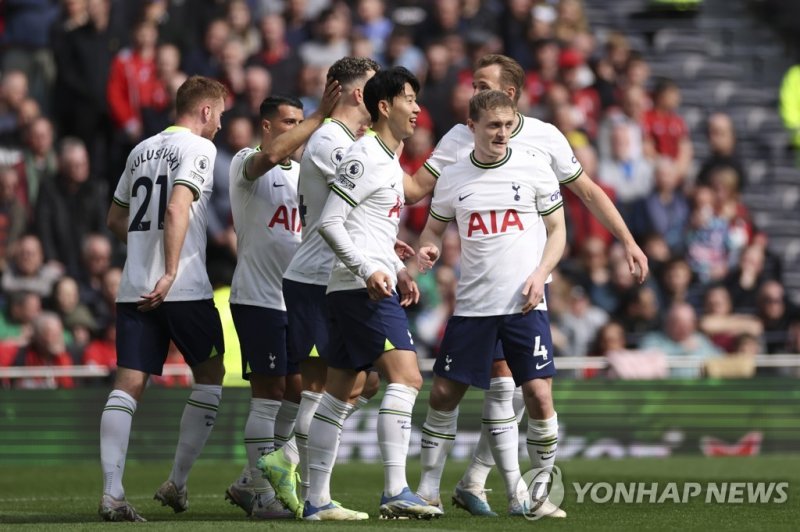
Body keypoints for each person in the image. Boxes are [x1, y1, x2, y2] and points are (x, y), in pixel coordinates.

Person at [405, 53, 648, 516]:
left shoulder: (542, 145)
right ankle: (459, 487)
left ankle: (521, 490)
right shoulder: (457, 143)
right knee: (473, 391)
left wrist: (627, 241)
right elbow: (420, 196)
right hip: (475, 298)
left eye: (482, 86)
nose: (471, 94)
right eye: (474, 89)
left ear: (510, 98)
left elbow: (587, 196)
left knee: (525, 392)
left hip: (525, 293)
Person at [415, 90, 567, 519]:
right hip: (473, 307)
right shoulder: (453, 177)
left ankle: (538, 493)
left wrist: (540, 274)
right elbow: (432, 231)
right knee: (444, 394)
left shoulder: (535, 168)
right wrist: (428, 249)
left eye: (508, 124)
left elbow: (558, 231)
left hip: (524, 304)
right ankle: (428, 491)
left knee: (538, 395)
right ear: (472, 128)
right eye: (493, 125)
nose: (502, 133)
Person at [304, 66, 439, 520]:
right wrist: (367, 270)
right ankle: (396, 489)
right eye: (408, 99)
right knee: (407, 379)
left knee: (339, 392)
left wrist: (398, 268)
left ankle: (317, 499)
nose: (417, 108)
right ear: (384, 106)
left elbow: (369, 228)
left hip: (353, 287)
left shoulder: (387, 158)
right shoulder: (364, 156)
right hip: (359, 291)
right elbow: (329, 222)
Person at [98, 75, 228, 522]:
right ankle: (177, 481)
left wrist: (144, 250)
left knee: (127, 386)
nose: (221, 127)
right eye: (220, 116)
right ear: (205, 111)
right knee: (210, 375)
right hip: (183, 286)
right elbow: (176, 206)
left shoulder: (141, 150)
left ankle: (112, 493)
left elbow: (116, 217)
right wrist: (171, 269)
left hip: (135, 285)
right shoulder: (200, 149)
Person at [263, 57, 380, 514]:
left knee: (360, 382)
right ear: (356, 94)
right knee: (326, 387)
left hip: (335, 277)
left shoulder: (350, 139)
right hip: (315, 278)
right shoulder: (330, 140)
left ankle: (286, 460)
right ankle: (315, 495)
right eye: (374, 89)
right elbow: (355, 207)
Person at [223, 83, 341, 520]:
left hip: (297, 298)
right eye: (290, 123)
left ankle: (251, 479)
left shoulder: (304, 174)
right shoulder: (246, 163)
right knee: (269, 392)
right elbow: (269, 156)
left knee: (298, 390)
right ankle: (261, 494)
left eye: (301, 121)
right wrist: (320, 118)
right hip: (257, 297)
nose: (299, 131)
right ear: (268, 126)